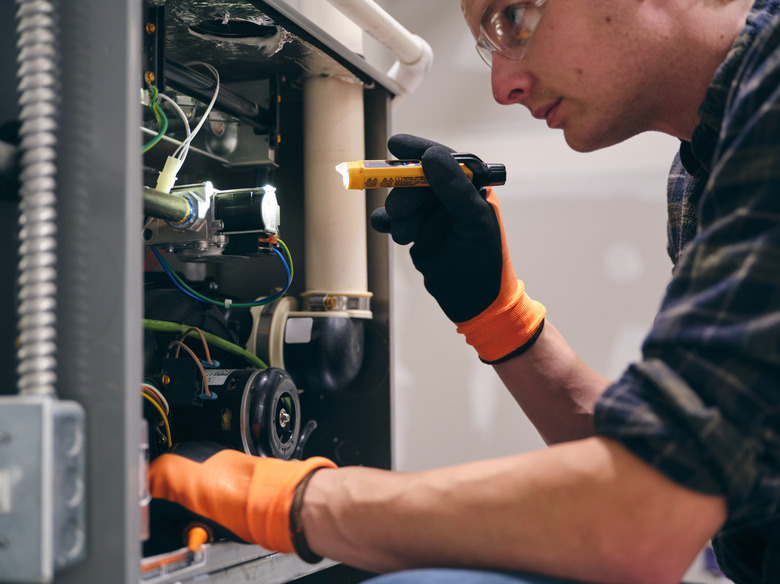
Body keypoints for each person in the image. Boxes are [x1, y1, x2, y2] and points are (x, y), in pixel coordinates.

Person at [149, 0, 780, 582]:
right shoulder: (699, 171)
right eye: (487, 42)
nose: (503, 85)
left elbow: (644, 512)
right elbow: (692, 464)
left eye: (513, 17)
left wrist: (293, 503)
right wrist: (502, 322)